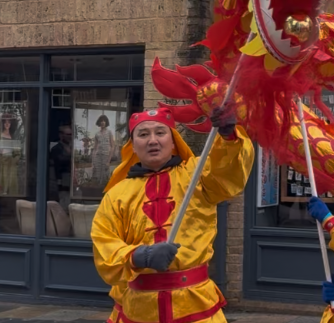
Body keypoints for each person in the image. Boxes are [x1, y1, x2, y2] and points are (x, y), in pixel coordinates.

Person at [91, 107, 254, 323]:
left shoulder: (197, 175)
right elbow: (104, 244)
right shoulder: (116, 195)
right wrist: (139, 256)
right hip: (139, 311)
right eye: (143, 134)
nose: (152, 140)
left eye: (160, 132)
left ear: (173, 139)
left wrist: (228, 137)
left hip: (197, 308)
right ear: (132, 145)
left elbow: (227, 172)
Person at [0, 114, 20, 196]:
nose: (7, 124)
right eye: (5, 122)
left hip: (11, 165)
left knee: (11, 184)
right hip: (2, 163)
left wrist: (15, 160)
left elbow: (17, 152)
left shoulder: (13, 136)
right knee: (1, 183)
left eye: (9, 122)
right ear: (2, 124)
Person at [49, 124, 73, 201]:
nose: (70, 137)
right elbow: (59, 161)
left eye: (71, 134)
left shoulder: (73, 147)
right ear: (61, 135)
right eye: (68, 134)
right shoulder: (56, 149)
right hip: (61, 182)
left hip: (72, 182)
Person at [90, 115, 115, 185]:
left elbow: (112, 146)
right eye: (101, 121)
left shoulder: (109, 132)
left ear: (106, 122)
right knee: (97, 175)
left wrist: (109, 160)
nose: (102, 122)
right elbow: (95, 148)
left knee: (105, 175)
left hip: (106, 156)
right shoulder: (97, 134)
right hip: (98, 156)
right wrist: (93, 161)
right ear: (99, 123)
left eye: (104, 121)